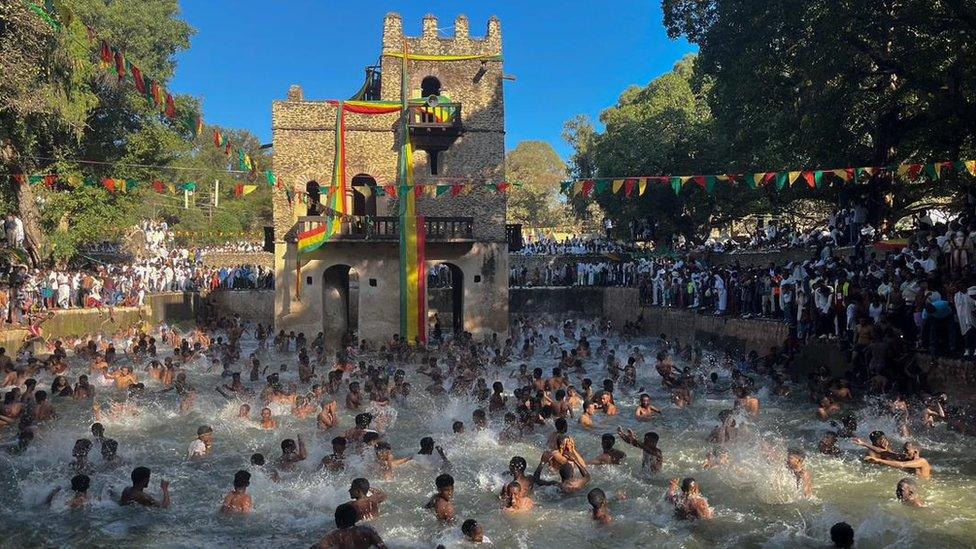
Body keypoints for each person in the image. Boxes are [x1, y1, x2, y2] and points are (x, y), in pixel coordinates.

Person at [311, 502, 387, 549]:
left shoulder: (335, 535)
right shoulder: (368, 530)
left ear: (339, 520)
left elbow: (317, 547)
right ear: (355, 518)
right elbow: (382, 547)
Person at [865, 441, 932, 479]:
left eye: (907, 451)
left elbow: (902, 465)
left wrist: (879, 460)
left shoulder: (922, 461)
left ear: (915, 452)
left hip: (923, 486)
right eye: (903, 450)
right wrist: (864, 444)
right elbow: (886, 453)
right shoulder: (906, 457)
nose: (904, 453)